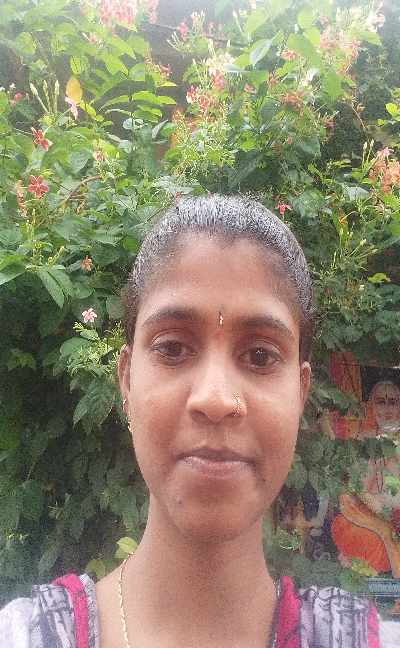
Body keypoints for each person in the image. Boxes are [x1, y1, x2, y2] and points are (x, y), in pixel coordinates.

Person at [1, 194, 398, 647]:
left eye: (261, 355)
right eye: (172, 348)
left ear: (300, 394)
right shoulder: (25, 636)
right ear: (127, 381)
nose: (216, 398)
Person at [332, 380, 400, 578]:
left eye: (392, 402)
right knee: (347, 527)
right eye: (381, 401)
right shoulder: (361, 439)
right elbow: (352, 484)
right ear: (371, 406)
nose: (387, 408)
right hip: (369, 514)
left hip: (393, 517)